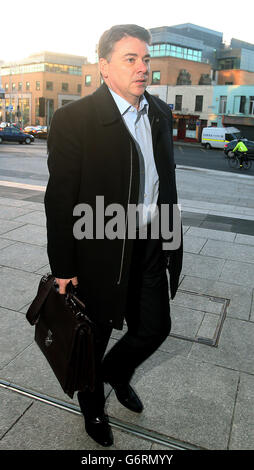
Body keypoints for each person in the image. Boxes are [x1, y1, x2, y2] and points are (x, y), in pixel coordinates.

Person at [44, 24, 183, 447]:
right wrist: (63, 269)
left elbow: (166, 185)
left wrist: (171, 244)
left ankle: (115, 373)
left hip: (150, 242)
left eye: (146, 59)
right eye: (131, 59)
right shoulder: (75, 120)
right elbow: (60, 200)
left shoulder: (159, 113)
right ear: (104, 67)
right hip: (99, 249)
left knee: (155, 328)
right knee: (94, 336)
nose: (143, 68)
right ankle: (93, 407)